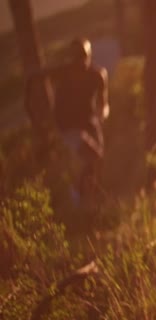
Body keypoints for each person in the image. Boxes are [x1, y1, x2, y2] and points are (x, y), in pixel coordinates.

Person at [29, 38, 110, 204]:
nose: (79, 61)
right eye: (75, 57)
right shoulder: (63, 71)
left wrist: (102, 114)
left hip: (89, 122)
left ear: (88, 56)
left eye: (82, 56)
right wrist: (32, 112)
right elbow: (34, 77)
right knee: (94, 157)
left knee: (98, 160)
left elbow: (104, 103)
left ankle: (91, 195)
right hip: (68, 127)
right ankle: (79, 197)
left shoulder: (98, 75)